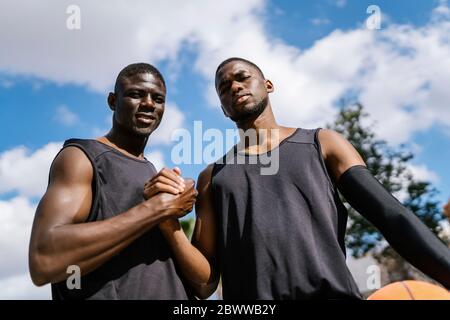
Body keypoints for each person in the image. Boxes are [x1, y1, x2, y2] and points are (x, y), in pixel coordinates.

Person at [155, 57, 450, 300]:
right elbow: (204, 284)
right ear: (222, 108)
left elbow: (391, 216)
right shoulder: (212, 178)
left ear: (268, 85)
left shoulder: (323, 143)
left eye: (243, 77)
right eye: (224, 87)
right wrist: (169, 225)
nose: (234, 86)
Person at [28, 63, 197, 300]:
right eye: (136, 94)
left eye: (158, 98)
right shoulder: (82, 157)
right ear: (112, 101)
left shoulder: (152, 172)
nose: (149, 103)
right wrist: (157, 208)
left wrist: (170, 214)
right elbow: (43, 260)